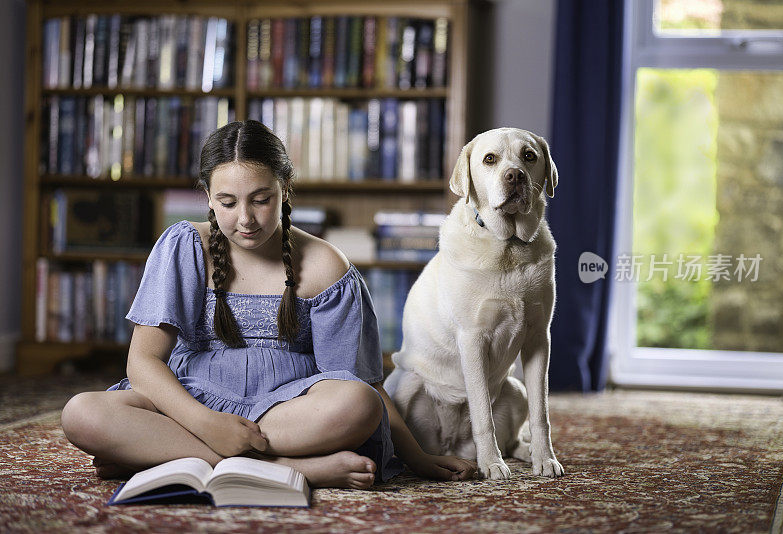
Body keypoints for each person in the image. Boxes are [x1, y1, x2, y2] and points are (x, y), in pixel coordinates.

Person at [60, 120, 476, 489]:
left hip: (286, 414)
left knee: (358, 404)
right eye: (227, 202)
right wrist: (209, 424)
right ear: (207, 195)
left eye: (261, 199)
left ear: (285, 188)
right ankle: (294, 468)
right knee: (82, 413)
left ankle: (160, 452)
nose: (246, 218)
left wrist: (417, 457)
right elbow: (143, 363)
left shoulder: (326, 267)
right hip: (190, 406)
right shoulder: (184, 246)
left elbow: (359, 384)